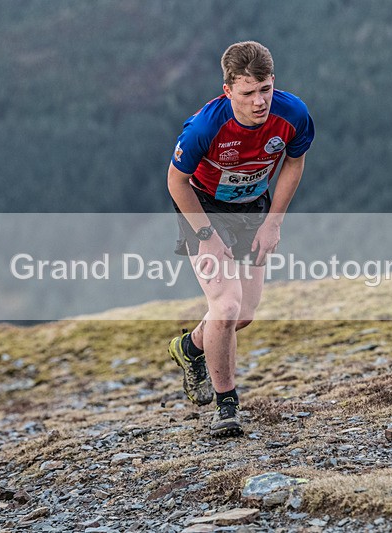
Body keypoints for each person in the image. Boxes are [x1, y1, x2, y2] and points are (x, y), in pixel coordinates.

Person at [167, 41, 314, 437]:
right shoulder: (205, 126)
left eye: (265, 89)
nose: (259, 101)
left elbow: (293, 162)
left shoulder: (293, 114)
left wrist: (273, 223)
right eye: (248, 93)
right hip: (202, 207)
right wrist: (206, 234)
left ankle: (190, 347)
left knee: (243, 314)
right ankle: (226, 405)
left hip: (253, 209)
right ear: (227, 90)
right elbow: (175, 181)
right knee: (227, 306)